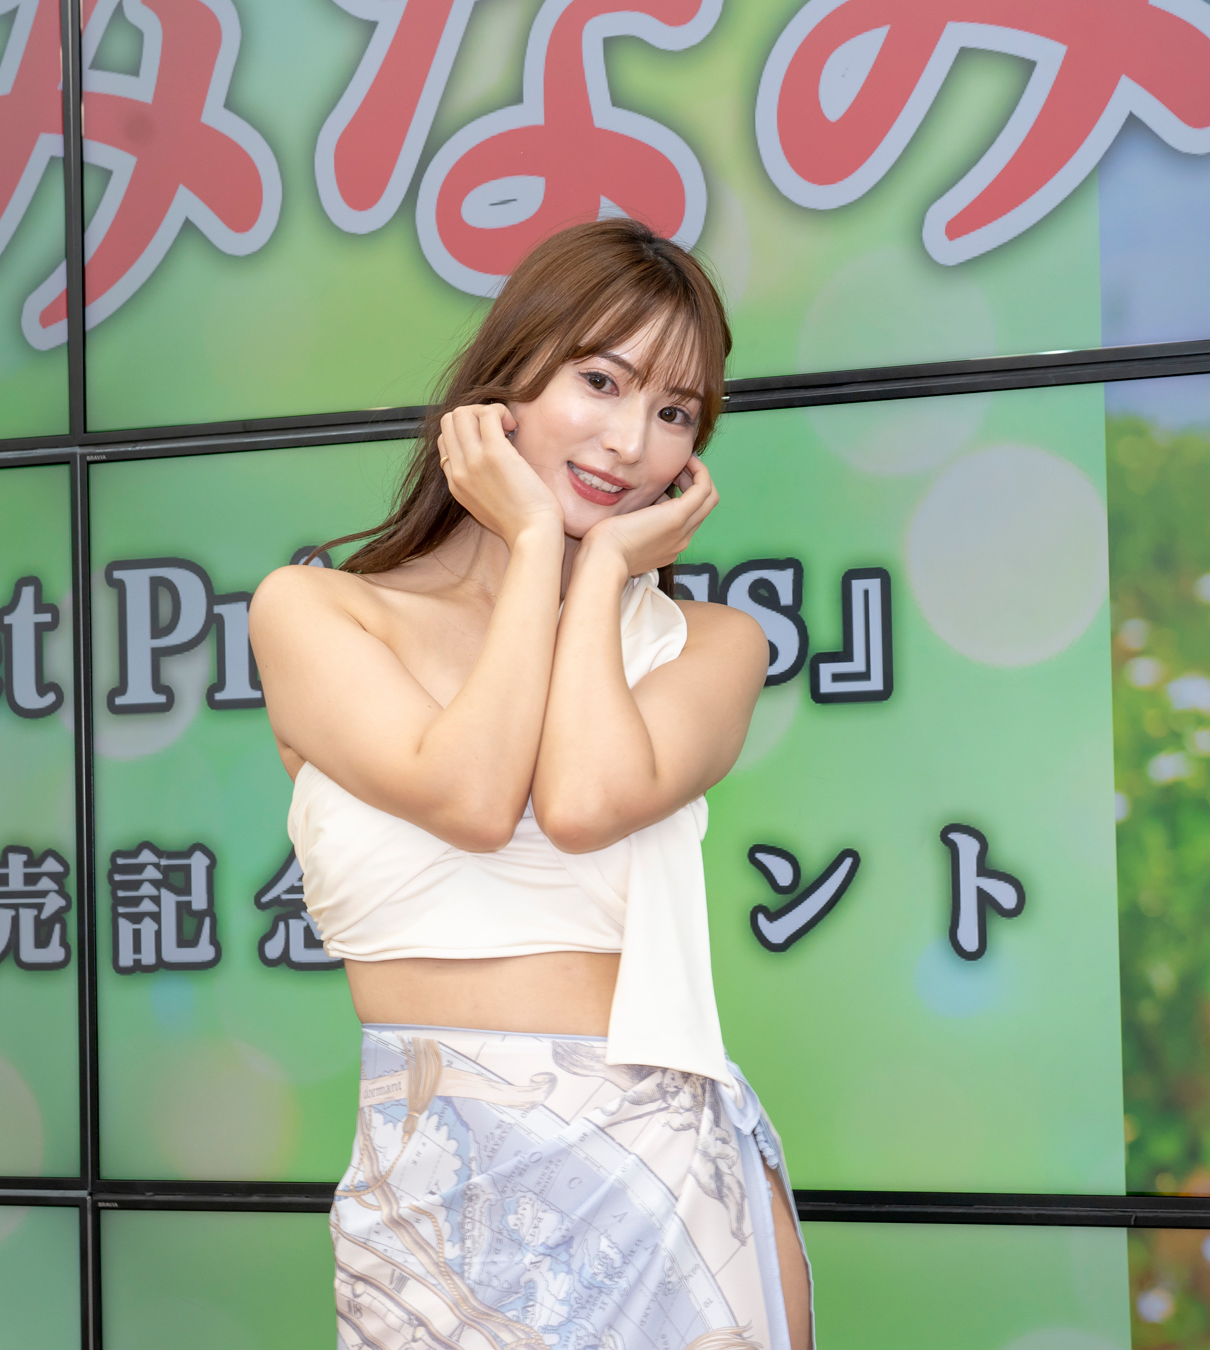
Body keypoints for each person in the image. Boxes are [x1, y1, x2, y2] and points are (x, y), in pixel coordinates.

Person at [250, 218, 813, 1350]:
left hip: (659, 1184)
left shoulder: (710, 644)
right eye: (600, 381)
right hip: (427, 1199)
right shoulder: (316, 611)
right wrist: (532, 545)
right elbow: (468, 794)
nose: (630, 442)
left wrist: (595, 573)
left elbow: (584, 800)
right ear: (505, 383)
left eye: (675, 413)